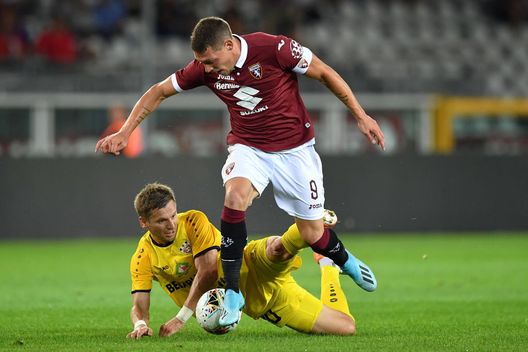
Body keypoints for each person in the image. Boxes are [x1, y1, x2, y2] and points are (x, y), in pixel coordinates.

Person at [96, 16, 383, 326]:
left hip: (295, 150)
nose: (205, 68)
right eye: (200, 62)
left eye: (209, 60)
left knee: (313, 232)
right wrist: (125, 132)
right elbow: (157, 92)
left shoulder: (275, 49)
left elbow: (325, 73)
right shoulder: (204, 69)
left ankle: (343, 260)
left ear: (229, 45)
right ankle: (233, 291)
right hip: (250, 148)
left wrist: (361, 115)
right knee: (235, 196)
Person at [127, 182, 358, 339]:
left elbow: (207, 271)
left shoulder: (192, 222)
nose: (171, 224)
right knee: (346, 327)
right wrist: (140, 325)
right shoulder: (143, 257)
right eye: (161, 221)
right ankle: (329, 266)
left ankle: (311, 223)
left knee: (277, 249)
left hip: (246, 264)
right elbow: (139, 305)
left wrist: (181, 318)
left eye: (172, 215)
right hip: (261, 301)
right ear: (143, 222)